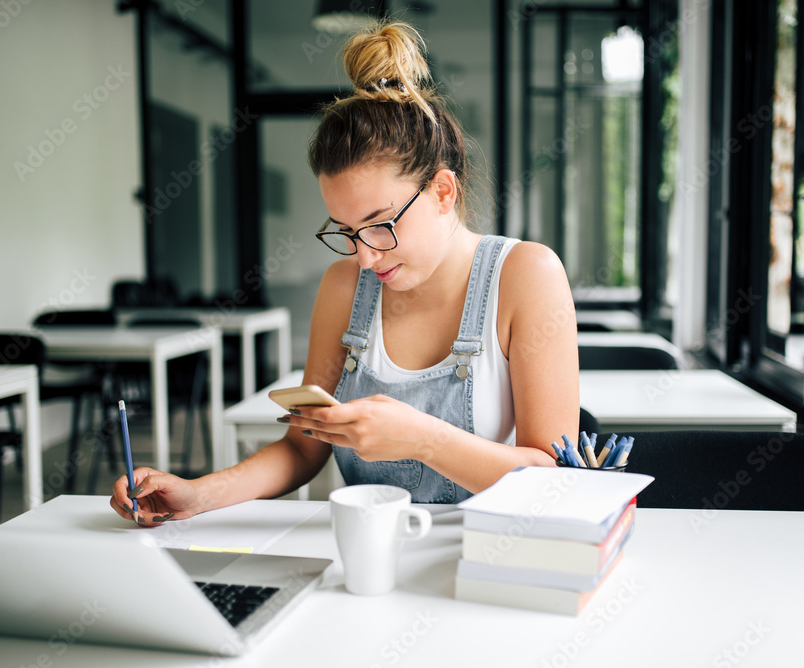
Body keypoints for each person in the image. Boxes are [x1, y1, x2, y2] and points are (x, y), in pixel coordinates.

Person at [110, 20, 579, 524]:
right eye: (347, 231)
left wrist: (423, 439)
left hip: (486, 558)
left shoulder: (526, 275)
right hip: (365, 556)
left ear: (444, 192)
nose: (364, 257)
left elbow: (553, 479)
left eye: (380, 226)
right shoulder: (345, 287)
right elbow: (302, 449)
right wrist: (200, 493)